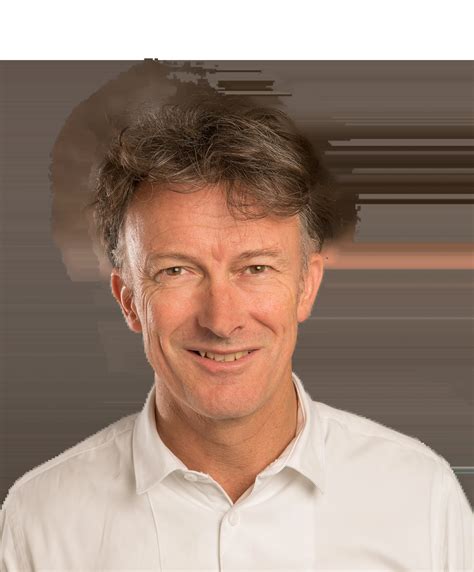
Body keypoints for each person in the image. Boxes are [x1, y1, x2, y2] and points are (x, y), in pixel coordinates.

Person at [1, 96, 471, 571]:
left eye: (256, 268)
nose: (221, 321)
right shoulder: (39, 521)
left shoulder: (420, 497)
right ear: (129, 300)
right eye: (176, 271)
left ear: (306, 286)